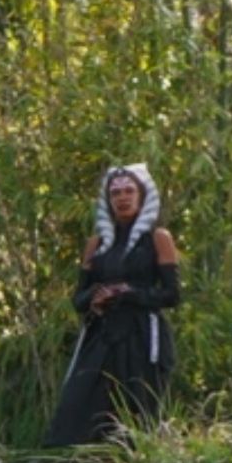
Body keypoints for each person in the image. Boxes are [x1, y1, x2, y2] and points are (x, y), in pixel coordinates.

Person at [43, 164, 181, 447]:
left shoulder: (158, 239)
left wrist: (130, 292)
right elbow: (78, 300)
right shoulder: (96, 244)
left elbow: (171, 295)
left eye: (129, 191)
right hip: (102, 337)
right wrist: (95, 296)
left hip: (142, 339)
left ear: (142, 195)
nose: (122, 197)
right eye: (115, 192)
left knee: (137, 413)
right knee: (76, 409)